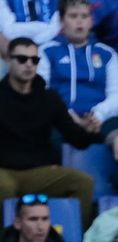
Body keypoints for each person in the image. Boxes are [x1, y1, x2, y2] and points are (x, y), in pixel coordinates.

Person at [0, 36, 98, 225]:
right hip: (3, 171)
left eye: (34, 60)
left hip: (40, 173)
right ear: (8, 60)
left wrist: (90, 130)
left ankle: (79, 241)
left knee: (83, 182)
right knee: (3, 187)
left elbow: (77, 139)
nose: (29, 64)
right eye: (22, 59)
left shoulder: (49, 98)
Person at [39, 0, 118, 126]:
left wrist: (98, 115)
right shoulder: (47, 51)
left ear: (91, 21)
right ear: (61, 21)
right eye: (73, 16)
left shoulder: (107, 54)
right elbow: (40, 91)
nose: (79, 21)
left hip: (99, 121)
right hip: (57, 120)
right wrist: (66, 115)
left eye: (84, 16)